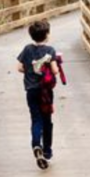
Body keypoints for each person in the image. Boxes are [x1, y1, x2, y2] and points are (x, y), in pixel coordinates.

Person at [16, 20, 60, 169]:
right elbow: (54, 71)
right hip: (45, 92)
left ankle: (36, 145)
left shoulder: (27, 49)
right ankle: (47, 151)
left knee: (36, 119)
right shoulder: (50, 50)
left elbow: (19, 67)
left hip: (31, 91)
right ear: (47, 35)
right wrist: (55, 67)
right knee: (47, 121)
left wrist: (30, 70)